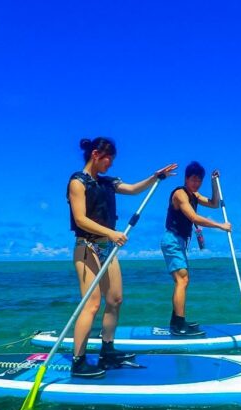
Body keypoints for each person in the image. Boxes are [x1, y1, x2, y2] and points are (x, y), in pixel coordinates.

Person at [68, 137, 177, 377]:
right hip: (86, 246)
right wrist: (111, 233)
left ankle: (107, 351)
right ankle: (78, 360)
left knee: (115, 299)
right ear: (96, 154)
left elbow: (134, 189)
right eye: (109, 160)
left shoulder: (108, 183)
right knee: (93, 303)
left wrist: (155, 177)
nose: (110, 165)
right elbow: (80, 219)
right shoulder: (78, 182)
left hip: (107, 246)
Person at [160, 161, 231, 336]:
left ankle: (176, 321)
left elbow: (214, 203)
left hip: (180, 242)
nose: (196, 184)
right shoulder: (180, 194)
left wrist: (214, 183)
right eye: (193, 180)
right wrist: (221, 226)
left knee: (183, 281)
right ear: (186, 178)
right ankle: (178, 325)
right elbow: (194, 217)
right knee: (182, 280)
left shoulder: (194, 195)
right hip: (172, 240)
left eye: (199, 181)